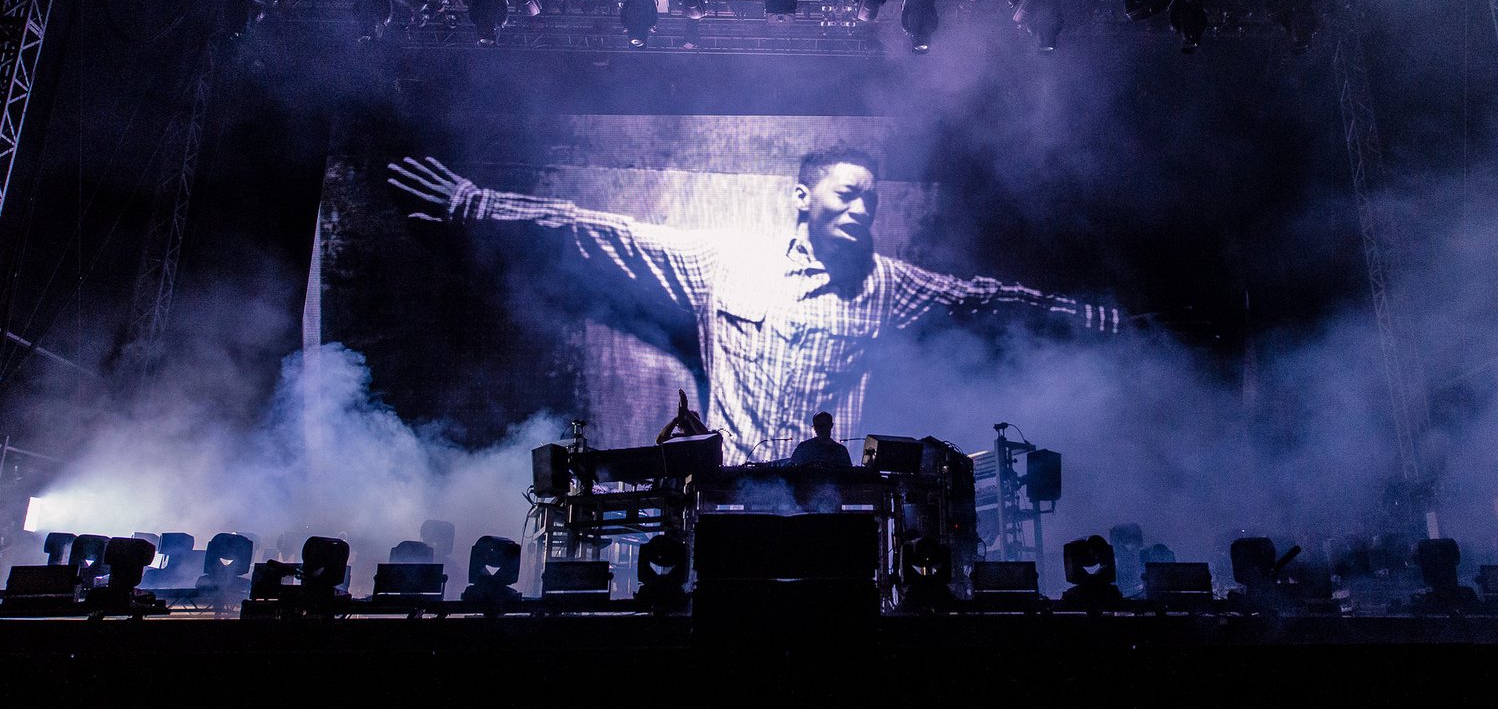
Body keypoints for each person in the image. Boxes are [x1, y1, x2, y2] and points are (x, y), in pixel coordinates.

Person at [386, 146, 1117, 462]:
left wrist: (1074, 316)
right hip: (730, 497)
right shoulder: (723, 261)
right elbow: (600, 234)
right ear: (802, 197)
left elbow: (985, 302)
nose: (862, 209)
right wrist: (479, 204)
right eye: (846, 193)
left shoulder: (890, 285)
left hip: (836, 504)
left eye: (871, 200)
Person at [788, 411, 852, 468]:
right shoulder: (804, 447)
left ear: (831, 425)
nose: (820, 429)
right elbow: (791, 468)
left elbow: (848, 473)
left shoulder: (840, 451)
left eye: (823, 425)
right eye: (817, 426)